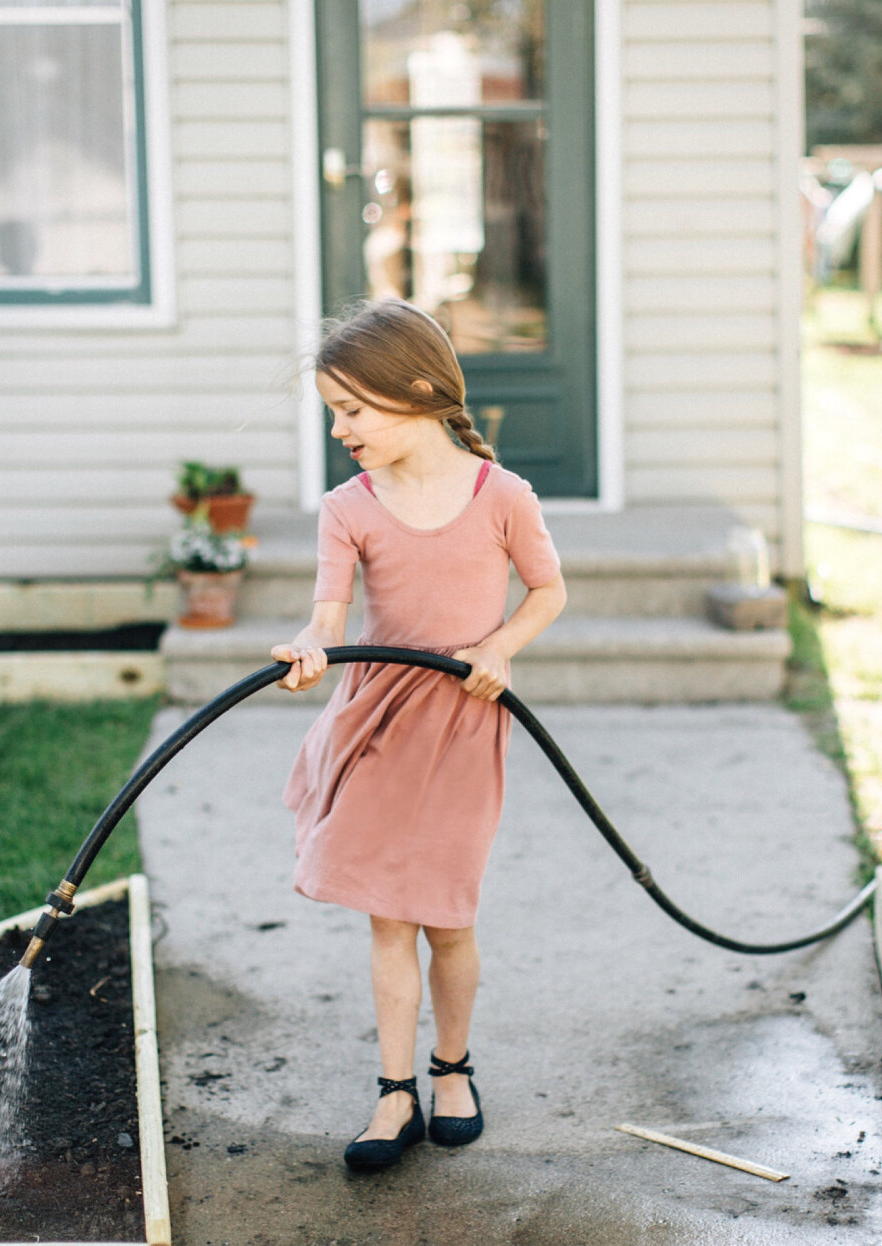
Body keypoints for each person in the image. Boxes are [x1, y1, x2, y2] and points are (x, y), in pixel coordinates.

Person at [271, 297, 566, 1173]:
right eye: (332, 410)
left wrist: (497, 648)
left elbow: (547, 592)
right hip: (379, 726)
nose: (338, 429)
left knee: (447, 916)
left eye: (352, 410)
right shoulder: (347, 507)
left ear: (421, 391)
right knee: (388, 921)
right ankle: (393, 1092)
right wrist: (307, 650)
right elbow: (328, 616)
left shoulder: (503, 495)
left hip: (464, 724)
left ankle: (452, 1068)